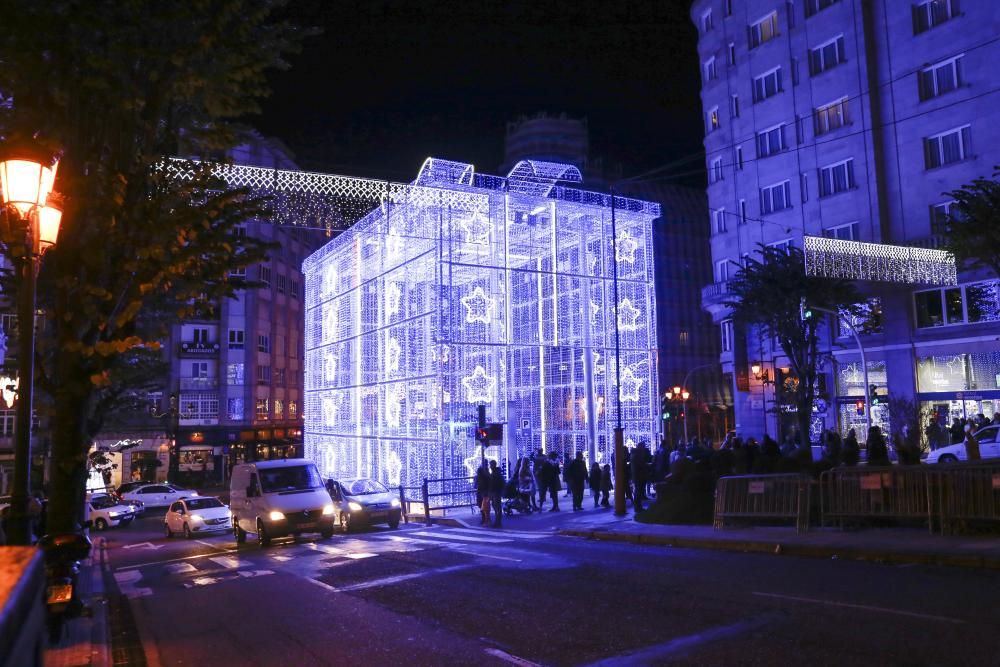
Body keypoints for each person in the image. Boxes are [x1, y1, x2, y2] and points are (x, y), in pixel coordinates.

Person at [488, 460, 505, 527]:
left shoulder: (496, 473)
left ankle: (498, 522)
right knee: (496, 506)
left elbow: (497, 483)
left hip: (496, 491)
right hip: (495, 491)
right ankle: (498, 521)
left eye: (491, 465)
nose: (490, 466)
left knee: (497, 506)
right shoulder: (496, 473)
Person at [475, 461, 491, 526]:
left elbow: (476, 485)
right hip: (484, 492)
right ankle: (486, 519)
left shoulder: (482, 475)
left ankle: (485, 519)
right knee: (485, 506)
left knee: (483, 506)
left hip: (482, 492)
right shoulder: (486, 474)